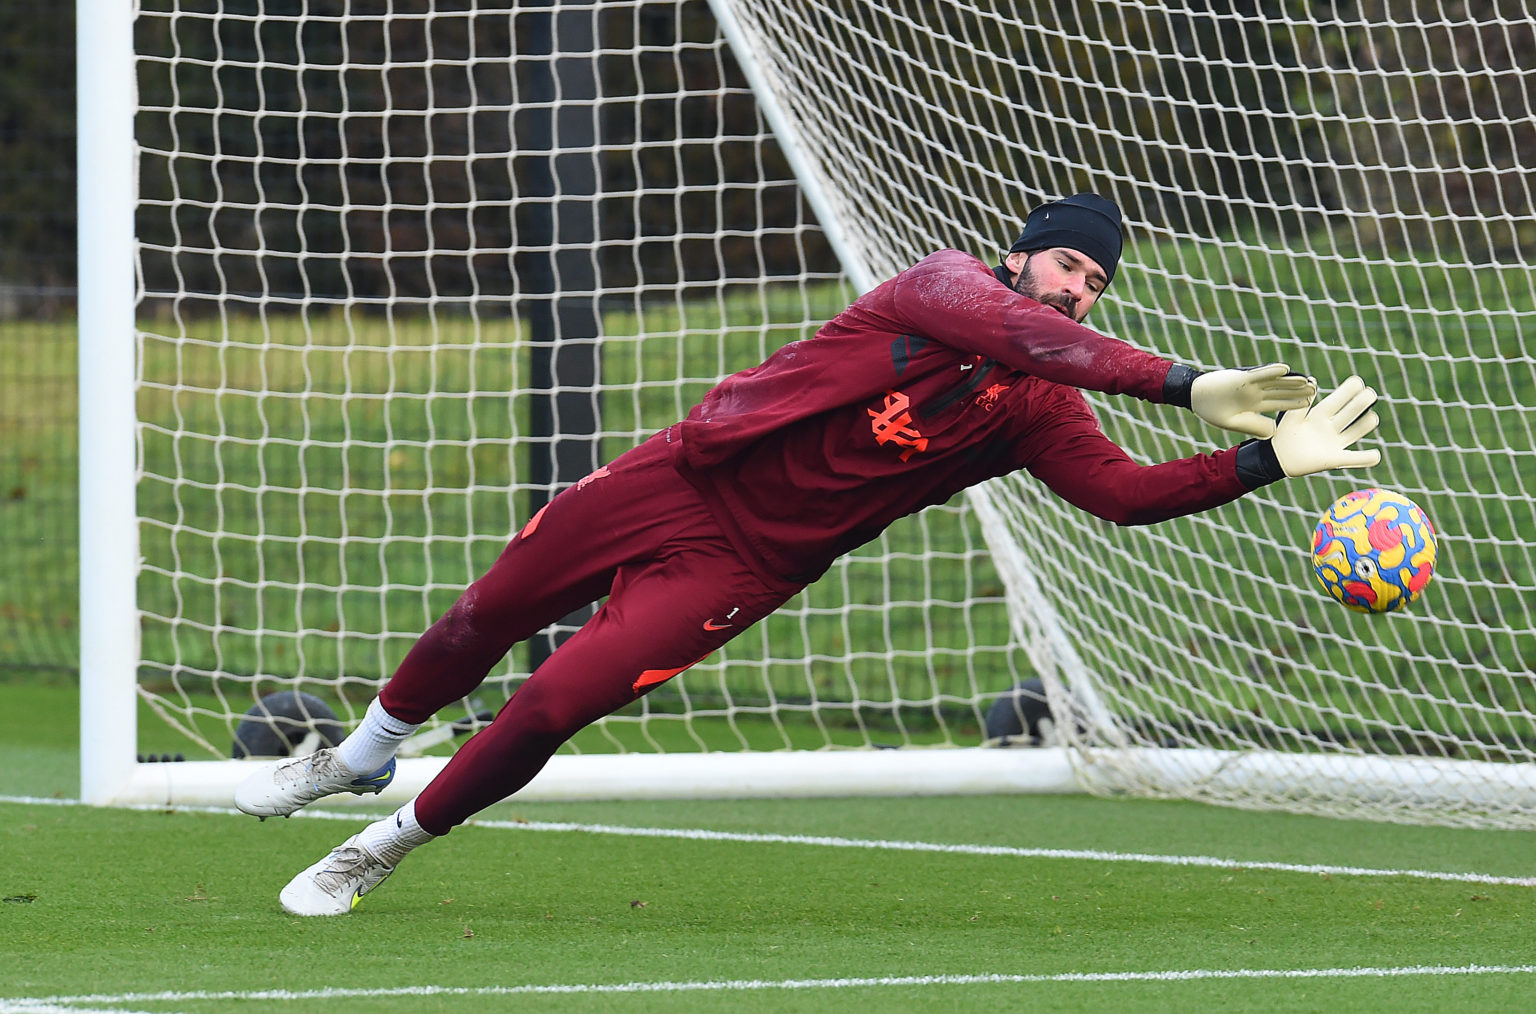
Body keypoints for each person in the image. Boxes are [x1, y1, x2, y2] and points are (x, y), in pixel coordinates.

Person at [235, 193, 1381, 915]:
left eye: (1095, 284)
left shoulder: (1038, 407)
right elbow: (1024, 332)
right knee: (475, 620)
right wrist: (1185, 382)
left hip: (740, 570)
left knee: (547, 707)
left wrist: (1271, 462)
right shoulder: (945, 287)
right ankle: (362, 751)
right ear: (1020, 255)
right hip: (673, 481)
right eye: (1068, 267)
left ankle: (378, 844)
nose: (1077, 289)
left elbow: (1123, 497)